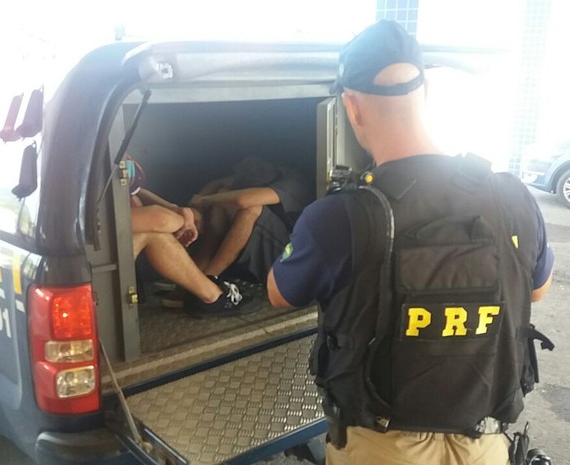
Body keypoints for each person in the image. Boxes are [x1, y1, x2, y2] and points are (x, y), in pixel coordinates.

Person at [266, 20, 555, 465]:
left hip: (382, 448)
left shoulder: (338, 216)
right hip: (484, 445)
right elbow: (536, 289)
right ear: (426, 92)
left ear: (351, 106)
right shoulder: (510, 197)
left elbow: (280, 294)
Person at [125, 156, 257, 318]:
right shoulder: (99, 199)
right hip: (101, 278)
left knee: (160, 227)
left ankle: (201, 290)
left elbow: (135, 191)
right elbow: (160, 220)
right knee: (152, 233)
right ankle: (211, 297)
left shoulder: (112, 163)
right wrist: (185, 221)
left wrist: (175, 209)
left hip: (113, 262)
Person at [188, 155, 313, 284]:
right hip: (268, 246)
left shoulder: (295, 181)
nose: (252, 169)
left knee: (251, 209)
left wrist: (203, 200)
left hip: (290, 257)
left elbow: (243, 200)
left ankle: (208, 278)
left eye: (255, 165)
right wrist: (197, 211)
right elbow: (219, 184)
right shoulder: (259, 173)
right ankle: (203, 262)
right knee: (223, 198)